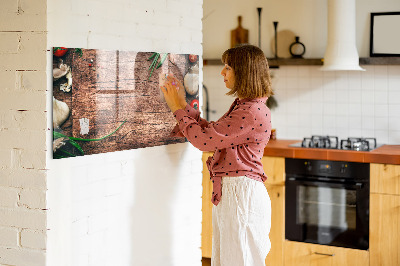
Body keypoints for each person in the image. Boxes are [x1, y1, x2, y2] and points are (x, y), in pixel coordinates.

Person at [161, 44, 273, 266]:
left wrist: (176, 108)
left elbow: (204, 141)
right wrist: (184, 105)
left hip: (241, 196)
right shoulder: (246, 106)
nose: (222, 72)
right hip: (236, 193)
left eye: (228, 67)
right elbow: (212, 133)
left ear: (244, 72)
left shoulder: (250, 111)